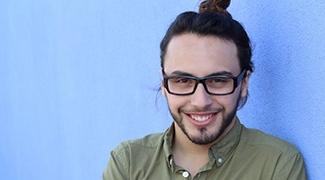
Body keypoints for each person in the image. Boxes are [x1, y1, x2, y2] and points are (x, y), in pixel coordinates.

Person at [103, 0, 306, 179]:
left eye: (218, 80)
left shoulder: (277, 164)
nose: (200, 101)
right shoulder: (128, 164)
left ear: (244, 83)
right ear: (164, 83)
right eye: (183, 80)